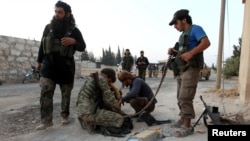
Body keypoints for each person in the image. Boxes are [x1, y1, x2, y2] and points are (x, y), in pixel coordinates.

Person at [35, 1, 86, 130]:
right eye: (56, 11)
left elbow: (82, 47)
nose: (57, 14)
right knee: (45, 91)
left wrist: (73, 41)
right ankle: (46, 121)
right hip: (49, 65)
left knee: (66, 94)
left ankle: (64, 117)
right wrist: (39, 61)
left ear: (67, 14)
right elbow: (42, 45)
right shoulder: (48, 27)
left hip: (66, 66)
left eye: (60, 12)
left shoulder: (74, 30)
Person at [168, 9, 210, 137]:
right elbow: (183, 52)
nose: (175, 26)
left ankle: (187, 126)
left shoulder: (195, 29)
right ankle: (182, 119)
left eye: (176, 23)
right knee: (179, 97)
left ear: (184, 20)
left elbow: (206, 42)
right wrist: (173, 51)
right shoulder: (182, 35)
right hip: (182, 70)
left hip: (191, 68)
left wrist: (191, 53)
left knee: (185, 97)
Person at [76, 68, 132, 136]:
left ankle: (86, 120)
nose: (109, 84)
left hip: (81, 111)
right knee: (119, 119)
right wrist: (120, 112)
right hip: (88, 113)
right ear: (107, 76)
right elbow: (110, 100)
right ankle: (90, 123)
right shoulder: (102, 79)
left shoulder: (92, 78)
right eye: (109, 82)